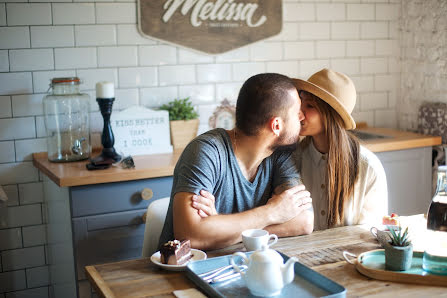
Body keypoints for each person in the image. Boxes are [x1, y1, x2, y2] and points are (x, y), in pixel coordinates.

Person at [158, 73, 314, 250]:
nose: (302, 117)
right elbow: (190, 236)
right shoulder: (206, 151)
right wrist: (272, 213)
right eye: (297, 112)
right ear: (276, 125)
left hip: (240, 267)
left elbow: (304, 221)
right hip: (181, 271)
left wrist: (218, 226)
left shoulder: (281, 154)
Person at [292, 68, 388, 230]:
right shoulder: (294, 159)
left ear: (330, 115)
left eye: (309, 106)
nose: (299, 113)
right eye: (300, 102)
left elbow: (373, 232)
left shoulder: (368, 168)